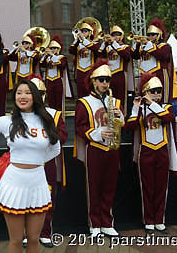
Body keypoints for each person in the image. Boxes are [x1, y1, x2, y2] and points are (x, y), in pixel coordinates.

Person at [0, 79, 60, 253]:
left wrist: (35, 162)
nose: (23, 96)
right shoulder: (6, 121)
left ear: (35, 96)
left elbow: (56, 149)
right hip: (14, 184)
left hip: (38, 183)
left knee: (34, 239)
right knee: (16, 240)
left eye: (27, 93)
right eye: (19, 93)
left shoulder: (46, 120)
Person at [74, 59, 125, 238]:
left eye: (107, 80)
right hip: (95, 148)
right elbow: (79, 127)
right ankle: (94, 223)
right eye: (101, 79)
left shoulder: (116, 102)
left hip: (112, 149)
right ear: (93, 81)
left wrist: (121, 117)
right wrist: (98, 134)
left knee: (110, 187)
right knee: (93, 187)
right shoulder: (84, 102)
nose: (105, 83)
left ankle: (107, 222)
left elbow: (122, 124)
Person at [126, 73, 177, 234]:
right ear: (145, 92)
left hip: (162, 150)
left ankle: (159, 219)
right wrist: (136, 108)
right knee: (147, 188)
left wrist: (152, 104)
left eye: (159, 91)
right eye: (153, 91)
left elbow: (168, 117)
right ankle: (148, 220)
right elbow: (130, 126)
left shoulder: (166, 107)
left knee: (162, 187)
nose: (156, 94)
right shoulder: (140, 109)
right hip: (146, 151)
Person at [28, 75, 67, 248]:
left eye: (41, 93)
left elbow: (63, 136)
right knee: (25, 198)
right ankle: (25, 233)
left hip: (47, 161)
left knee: (47, 197)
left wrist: (48, 136)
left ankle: (44, 232)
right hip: (26, 164)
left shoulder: (55, 114)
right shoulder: (19, 115)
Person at [132, 18, 177, 103]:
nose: (150, 37)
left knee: (161, 100)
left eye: (153, 34)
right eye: (149, 34)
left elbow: (162, 56)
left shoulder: (164, 46)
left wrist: (149, 44)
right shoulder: (145, 46)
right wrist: (138, 45)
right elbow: (134, 56)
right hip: (145, 77)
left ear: (159, 35)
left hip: (159, 76)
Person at [98, 25, 134, 112]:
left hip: (120, 75)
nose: (115, 36)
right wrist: (104, 43)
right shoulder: (107, 48)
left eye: (118, 34)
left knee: (121, 99)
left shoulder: (126, 47)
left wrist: (114, 43)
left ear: (122, 36)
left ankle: (121, 117)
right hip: (109, 77)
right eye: (113, 35)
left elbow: (126, 56)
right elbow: (99, 56)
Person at [39, 36, 73, 113]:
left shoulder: (62, 57)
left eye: (54, 48)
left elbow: (61, 65)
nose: (52, 50)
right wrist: (45, 55)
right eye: (51, 48)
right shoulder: (47, 58)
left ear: (58, 49)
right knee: (50, 101)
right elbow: (41, 64)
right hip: (49, 81)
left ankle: (59, 118)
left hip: (58, 81)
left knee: (58, 102)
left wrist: (52, 55)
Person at [68, 21, 101, 98]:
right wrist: (77, 38)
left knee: (91, 93)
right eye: (81, 31)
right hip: (80, 72)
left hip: (91, 71)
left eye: (85, 31)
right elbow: (71, 50)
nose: (82, 33)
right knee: (81, 94)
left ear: (90, 33)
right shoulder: (77, 45)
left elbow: (96, 50)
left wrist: (83, 40)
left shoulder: (95, 44)